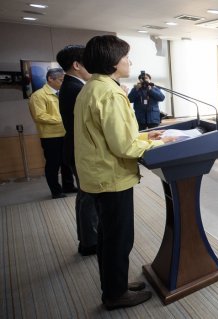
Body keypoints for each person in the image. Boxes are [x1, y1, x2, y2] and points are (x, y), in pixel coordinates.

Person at [75, 35, 175, 310]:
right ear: (113, 61)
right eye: (126, 57)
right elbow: (122, 145)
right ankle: (115, 295)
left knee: (108, 237)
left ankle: (114, 285)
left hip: (97, 174)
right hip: (111, 177)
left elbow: (113, 136)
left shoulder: (92, 87)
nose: (130, 62)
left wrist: (144, 137)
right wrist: (156, 143)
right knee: (118, 239)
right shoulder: (111, 93)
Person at [56, 44, 97, 256]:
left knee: (84, 197)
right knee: (89, 199)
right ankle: (90, 242)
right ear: (76, 64)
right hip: (80, 150)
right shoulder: (77, 89)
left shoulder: (71, 86)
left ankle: (87, 239)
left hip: (73, 147)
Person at [28, 67, 76, 199]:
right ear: (50, 79)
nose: (63, 83)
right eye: (61, 80)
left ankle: (69, 186)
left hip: (65, 133)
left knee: (67, 162)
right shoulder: (38, 95)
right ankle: (56, 191)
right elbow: (39, 116)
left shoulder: (63, 93)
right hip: (50, 136)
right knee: (53, 164)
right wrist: (62, 119)